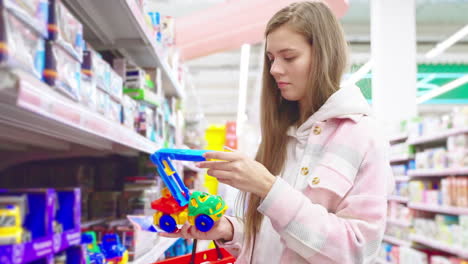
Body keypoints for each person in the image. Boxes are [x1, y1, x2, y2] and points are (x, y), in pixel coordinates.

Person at [160, 1, 394, 263]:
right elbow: (273, 240)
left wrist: (269, 188)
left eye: (289, 57)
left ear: (324, 55)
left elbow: (359, 248)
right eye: (271, 59)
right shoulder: (281, 136)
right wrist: (230, 230)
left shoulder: (362, 135)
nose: (274, 70)